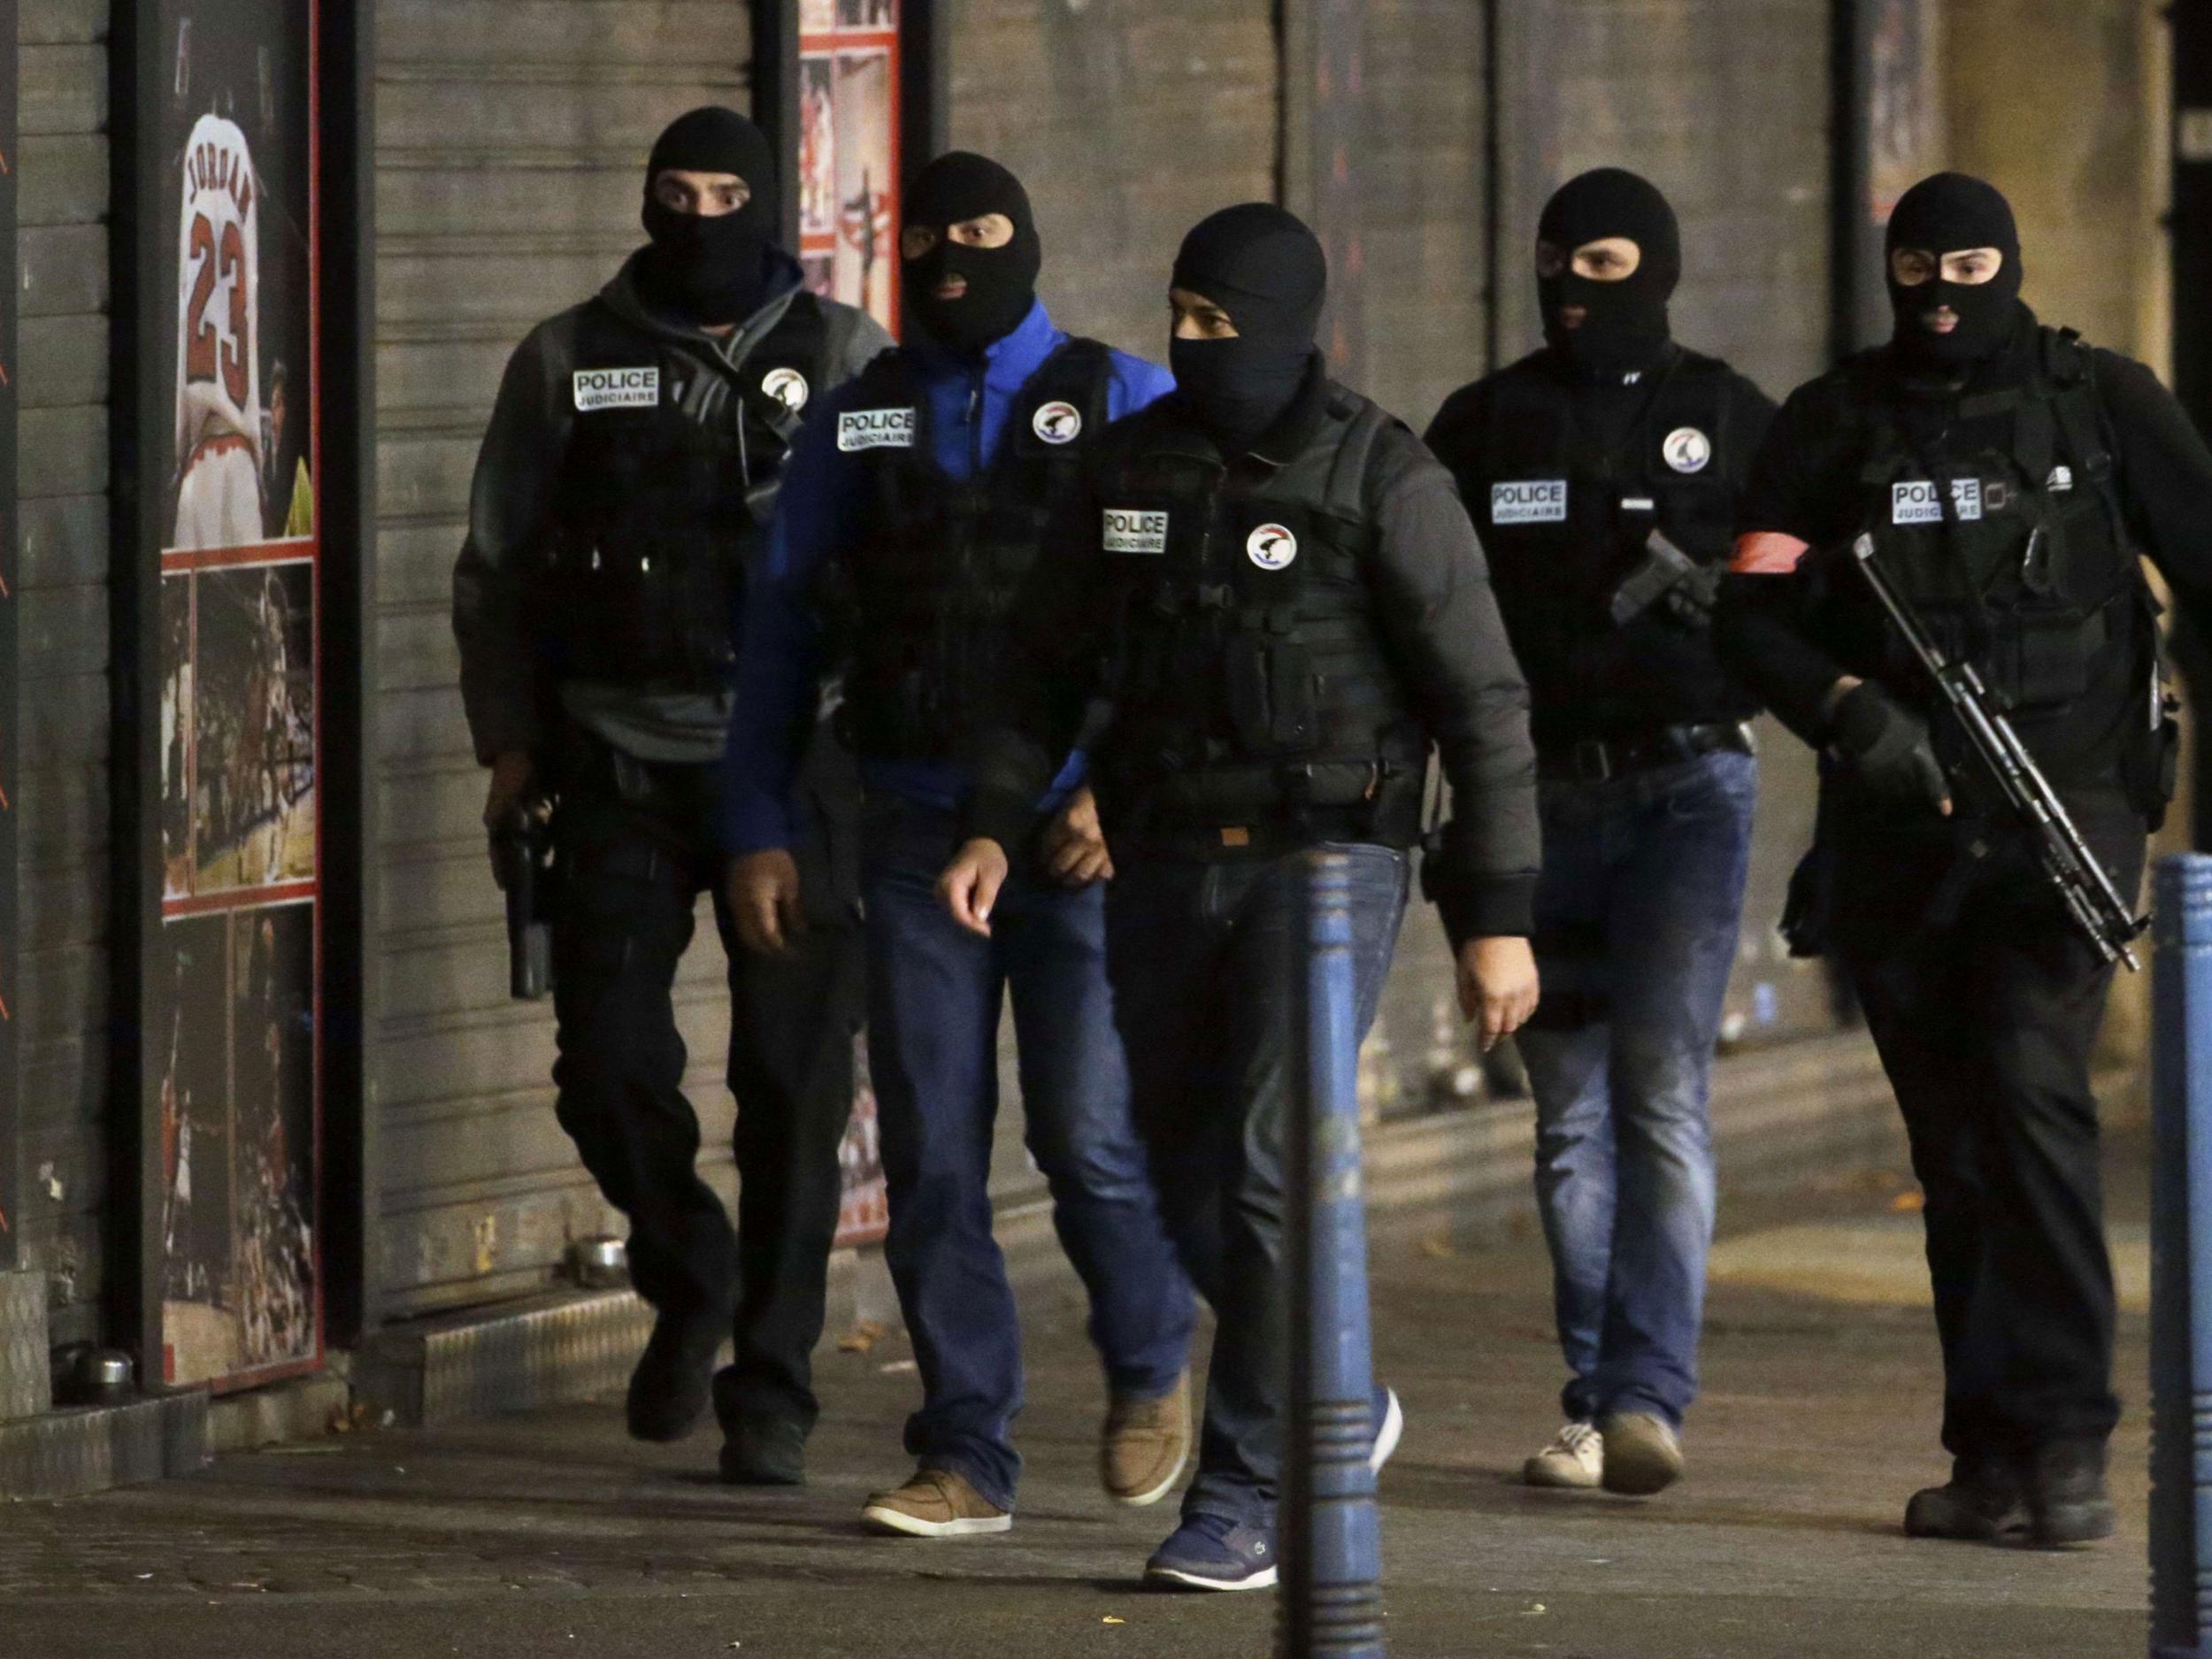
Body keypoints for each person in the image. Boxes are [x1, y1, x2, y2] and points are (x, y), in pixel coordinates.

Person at [938, 203, 1542, 1589]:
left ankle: (1251, 1488)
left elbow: (1487, 707)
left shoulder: (1382, 474)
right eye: (1182, 319)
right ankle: (1335, 1390)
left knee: (1271, 1170)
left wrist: (1494, 915)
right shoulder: (1126, 471)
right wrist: (988, 824)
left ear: (1289, 327)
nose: (1194, 346)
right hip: (1163, 859)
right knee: (1181, 1167)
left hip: (1330, 868)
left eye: (1221, 323)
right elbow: (1039, 668)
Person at [1717, 171, 2211, 1547]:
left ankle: (2066, 1444)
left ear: (2013, 262)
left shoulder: (2102, 402)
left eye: (1969, 264)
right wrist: (1845, 708)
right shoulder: (1832, 424)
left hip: (2066, 817)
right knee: (1956, 1149)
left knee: (2032, 1095)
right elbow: (1749, 612)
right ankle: (1991, 1449)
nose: (1941, 291)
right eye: (1916, 264)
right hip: (1902, 830)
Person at [721, 151, 1196, 1539]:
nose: (951, 258)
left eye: (982, 233)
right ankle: (967, 1452)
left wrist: (1118, 792)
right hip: (915, 824)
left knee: (1089, 1132)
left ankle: (1152, 1357)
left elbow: (1187, 616)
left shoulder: (1121, 398)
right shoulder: (858, 422)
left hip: (1079, 837)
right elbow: (780, 639)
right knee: (931, 1148)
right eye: (926, 236)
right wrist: (756, 824)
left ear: (1029, 241)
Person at [451, 107, 889, 1486]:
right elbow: (495, 570)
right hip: (616, 764)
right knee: (607, 1066)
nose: (696, 218)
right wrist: (510, 747)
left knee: (792, 1091)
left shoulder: (843, 356)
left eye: (723, 194)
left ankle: (773, 1387)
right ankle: (687, 1268)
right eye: (672, 192)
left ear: (768, 206)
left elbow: (910, 553)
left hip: (797, 767)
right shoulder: (568, 358)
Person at [1425, 169, 1774, 1497]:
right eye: (1554, 260)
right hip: (1536, 802)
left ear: (1662, 269)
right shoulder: (1488, 421)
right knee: (1569, 1112)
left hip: (1688, 791)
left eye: (1607, 262)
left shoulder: (1729, 416)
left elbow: (1810, 579)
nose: (1574, 288)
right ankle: (1593, 1395)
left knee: (1661, 1091)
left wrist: (1727, 621)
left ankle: (1646, 1398)